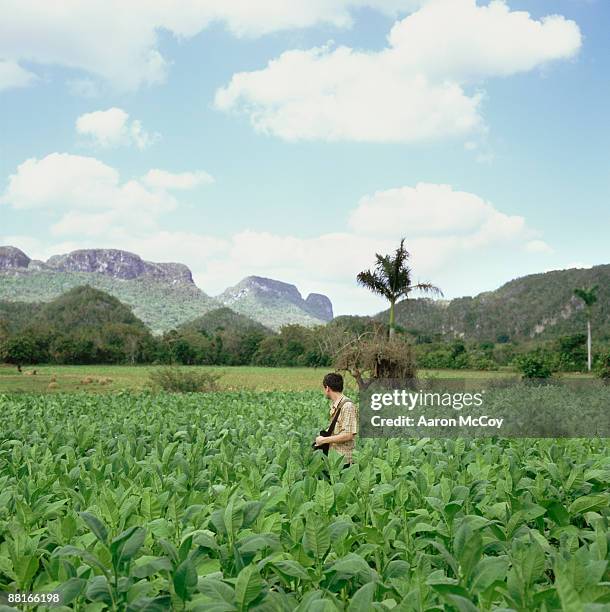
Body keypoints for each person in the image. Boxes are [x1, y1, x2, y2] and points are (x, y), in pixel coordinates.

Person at [315, 372, 358, 466]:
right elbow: (337, 430)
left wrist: (323, 440)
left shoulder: (347, 406)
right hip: (334, 459)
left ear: (327, 388)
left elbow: (348, 435)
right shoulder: (336, 406)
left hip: (344, 461)